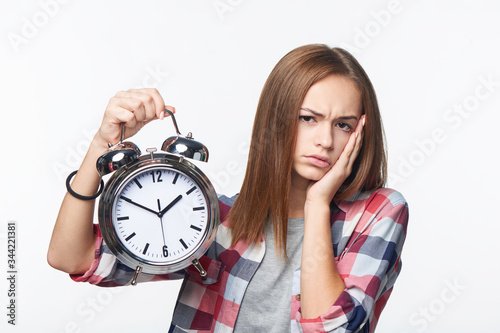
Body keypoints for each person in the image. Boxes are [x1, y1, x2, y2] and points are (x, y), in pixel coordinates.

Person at [48, 44, 409, 333]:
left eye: (344, 125)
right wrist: (100, 144)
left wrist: (318, 204)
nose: (326, 140)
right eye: (308, 118)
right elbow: (71, 257)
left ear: (361, 133)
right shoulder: (218, 220)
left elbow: (329, 328)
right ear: (278, 118)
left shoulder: (379, 213)